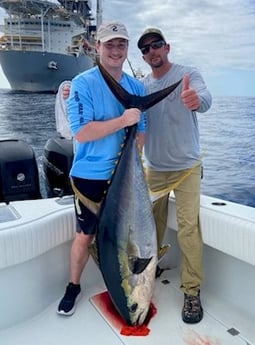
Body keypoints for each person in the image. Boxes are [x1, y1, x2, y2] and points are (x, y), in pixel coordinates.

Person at [57, 21, 146, 316]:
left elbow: (141, 131)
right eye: (109, 44)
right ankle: (73, 285)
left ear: (127, 48)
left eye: (121, 44)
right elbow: (81, 132)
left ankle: (128, 282)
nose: (116, 50)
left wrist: (133, 167)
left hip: (124, 178)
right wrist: (123, 121)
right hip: (90, 177)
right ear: (98, 47)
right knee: (86, 235)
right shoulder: (82, 83)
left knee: (124, 238)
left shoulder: (136, 87)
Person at [137, 28, 212, 324]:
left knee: (188, 228)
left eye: (156, 45)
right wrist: (69, 92)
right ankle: (148, 270)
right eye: (146, 49)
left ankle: (191, 291)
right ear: (143, 57)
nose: (152, 51)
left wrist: (195, 101)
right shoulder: (141, 86)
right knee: (148, 229)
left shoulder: (188, 74)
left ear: (167, 47)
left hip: (187, 168)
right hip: (154, 168)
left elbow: (205, 100)